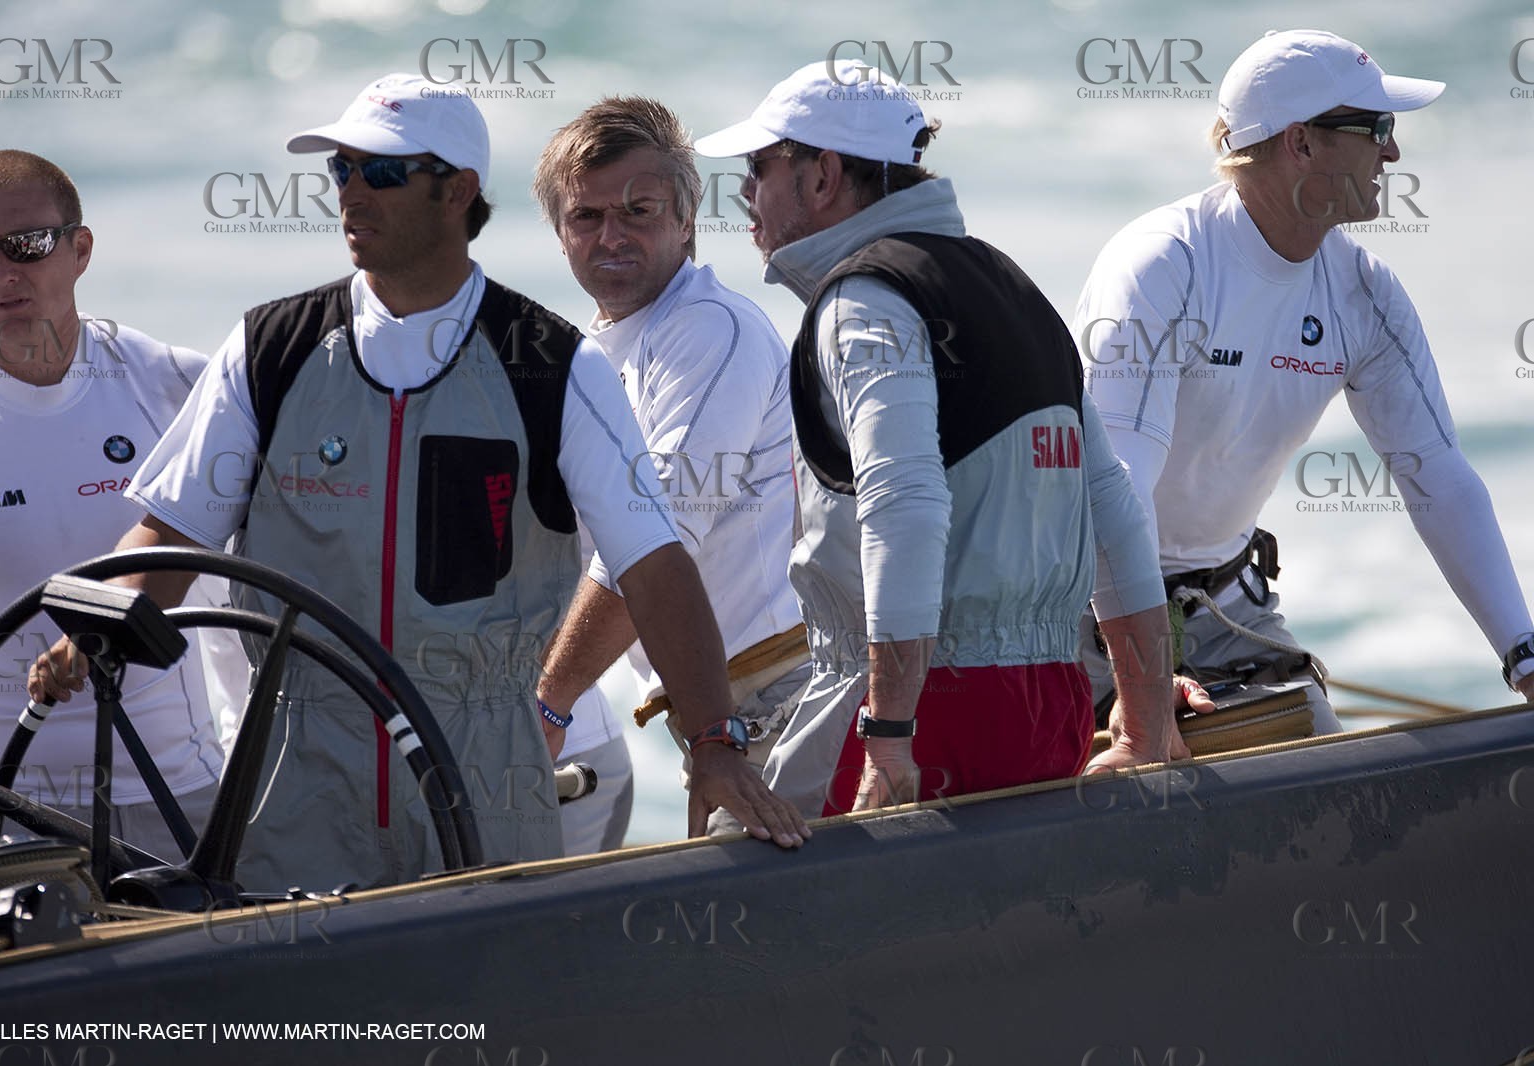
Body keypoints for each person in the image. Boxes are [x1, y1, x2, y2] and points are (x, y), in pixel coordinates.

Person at [31, 74, 808, 891]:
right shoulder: (269, 348)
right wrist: (94, 620)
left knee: (495, 1016)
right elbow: (173, 531)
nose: (353, 193)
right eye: (343, 171)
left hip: (484, 774)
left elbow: (652, 563)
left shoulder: (550, 365)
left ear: (458, 192)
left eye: (386, 172)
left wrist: (716, 747)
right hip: (299, 771)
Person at [694, 61, 1189, 819]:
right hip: (1045, 704)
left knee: (733, 877)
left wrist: (890, 740)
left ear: (823, 175)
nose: (746, 195)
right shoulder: (1018, 288)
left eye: (759, 167)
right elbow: (1114, 509)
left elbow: (906, 508)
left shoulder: (862, 302)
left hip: (917, 709)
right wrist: (1147, 718)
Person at [1072, 29, 1534, 727]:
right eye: (1376, 126)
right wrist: (1144, 688)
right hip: (1084, 607)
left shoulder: (1364, 294)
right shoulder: (1164, 265)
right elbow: (1115, 493)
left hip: (1226, 605)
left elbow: (1436, 474)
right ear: (1301, 144)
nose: (1393, 150)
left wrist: (1525, 657)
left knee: (1327, 774)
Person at [0, 150, 224, 893]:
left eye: (28, 245)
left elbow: (262, 574)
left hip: (174, 791)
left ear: (81, 249)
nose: (2, 271)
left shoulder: (175, 382)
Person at [530, 96, 807, 851]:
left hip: (780, 693)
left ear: (686, 219)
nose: (611, 235)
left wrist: (548, 707)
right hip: (719, 708)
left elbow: (652, 540)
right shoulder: (594, 354)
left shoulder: (708, 330)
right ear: (560, 234)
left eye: (639, 209)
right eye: (586, 217)